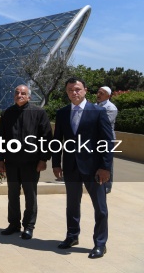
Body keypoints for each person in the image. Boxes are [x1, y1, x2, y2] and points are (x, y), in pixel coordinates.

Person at [52, 77, 114, 259]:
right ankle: (72, 236)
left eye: (77, 89)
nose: (74, 93)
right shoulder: (62, 113)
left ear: (85, 90)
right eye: (70, 90)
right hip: (71, 167)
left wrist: (105, 167)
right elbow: (57, 140)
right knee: (72, 205)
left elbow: (107, 142)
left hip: (94, 169)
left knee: (100, 207)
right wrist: (56, 163)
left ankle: (100, 244)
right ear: (67, 92)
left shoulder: (98, 112)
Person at [0, 85, 52, 240]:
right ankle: (13, 224)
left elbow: (46, 138)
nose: (19, 95)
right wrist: (0, 159)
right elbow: (1, 138)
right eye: (17, 93)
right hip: (12, 162)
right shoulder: (7, 113)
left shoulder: (39, 113)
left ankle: (28, 226)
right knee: (13, 194)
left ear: (29, 97)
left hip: (31, 163)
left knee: (30, 195)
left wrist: (43, 159)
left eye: (23, 93)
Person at [96, 86, 118, 194]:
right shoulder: (95, 106)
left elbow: (106, 122)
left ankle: (107, 186)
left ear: (108, 96)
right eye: (98, 92)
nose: (99, 95)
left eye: (102, 93)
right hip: (96, 139)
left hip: (107, 140)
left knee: (107, 162)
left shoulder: (111, 108)